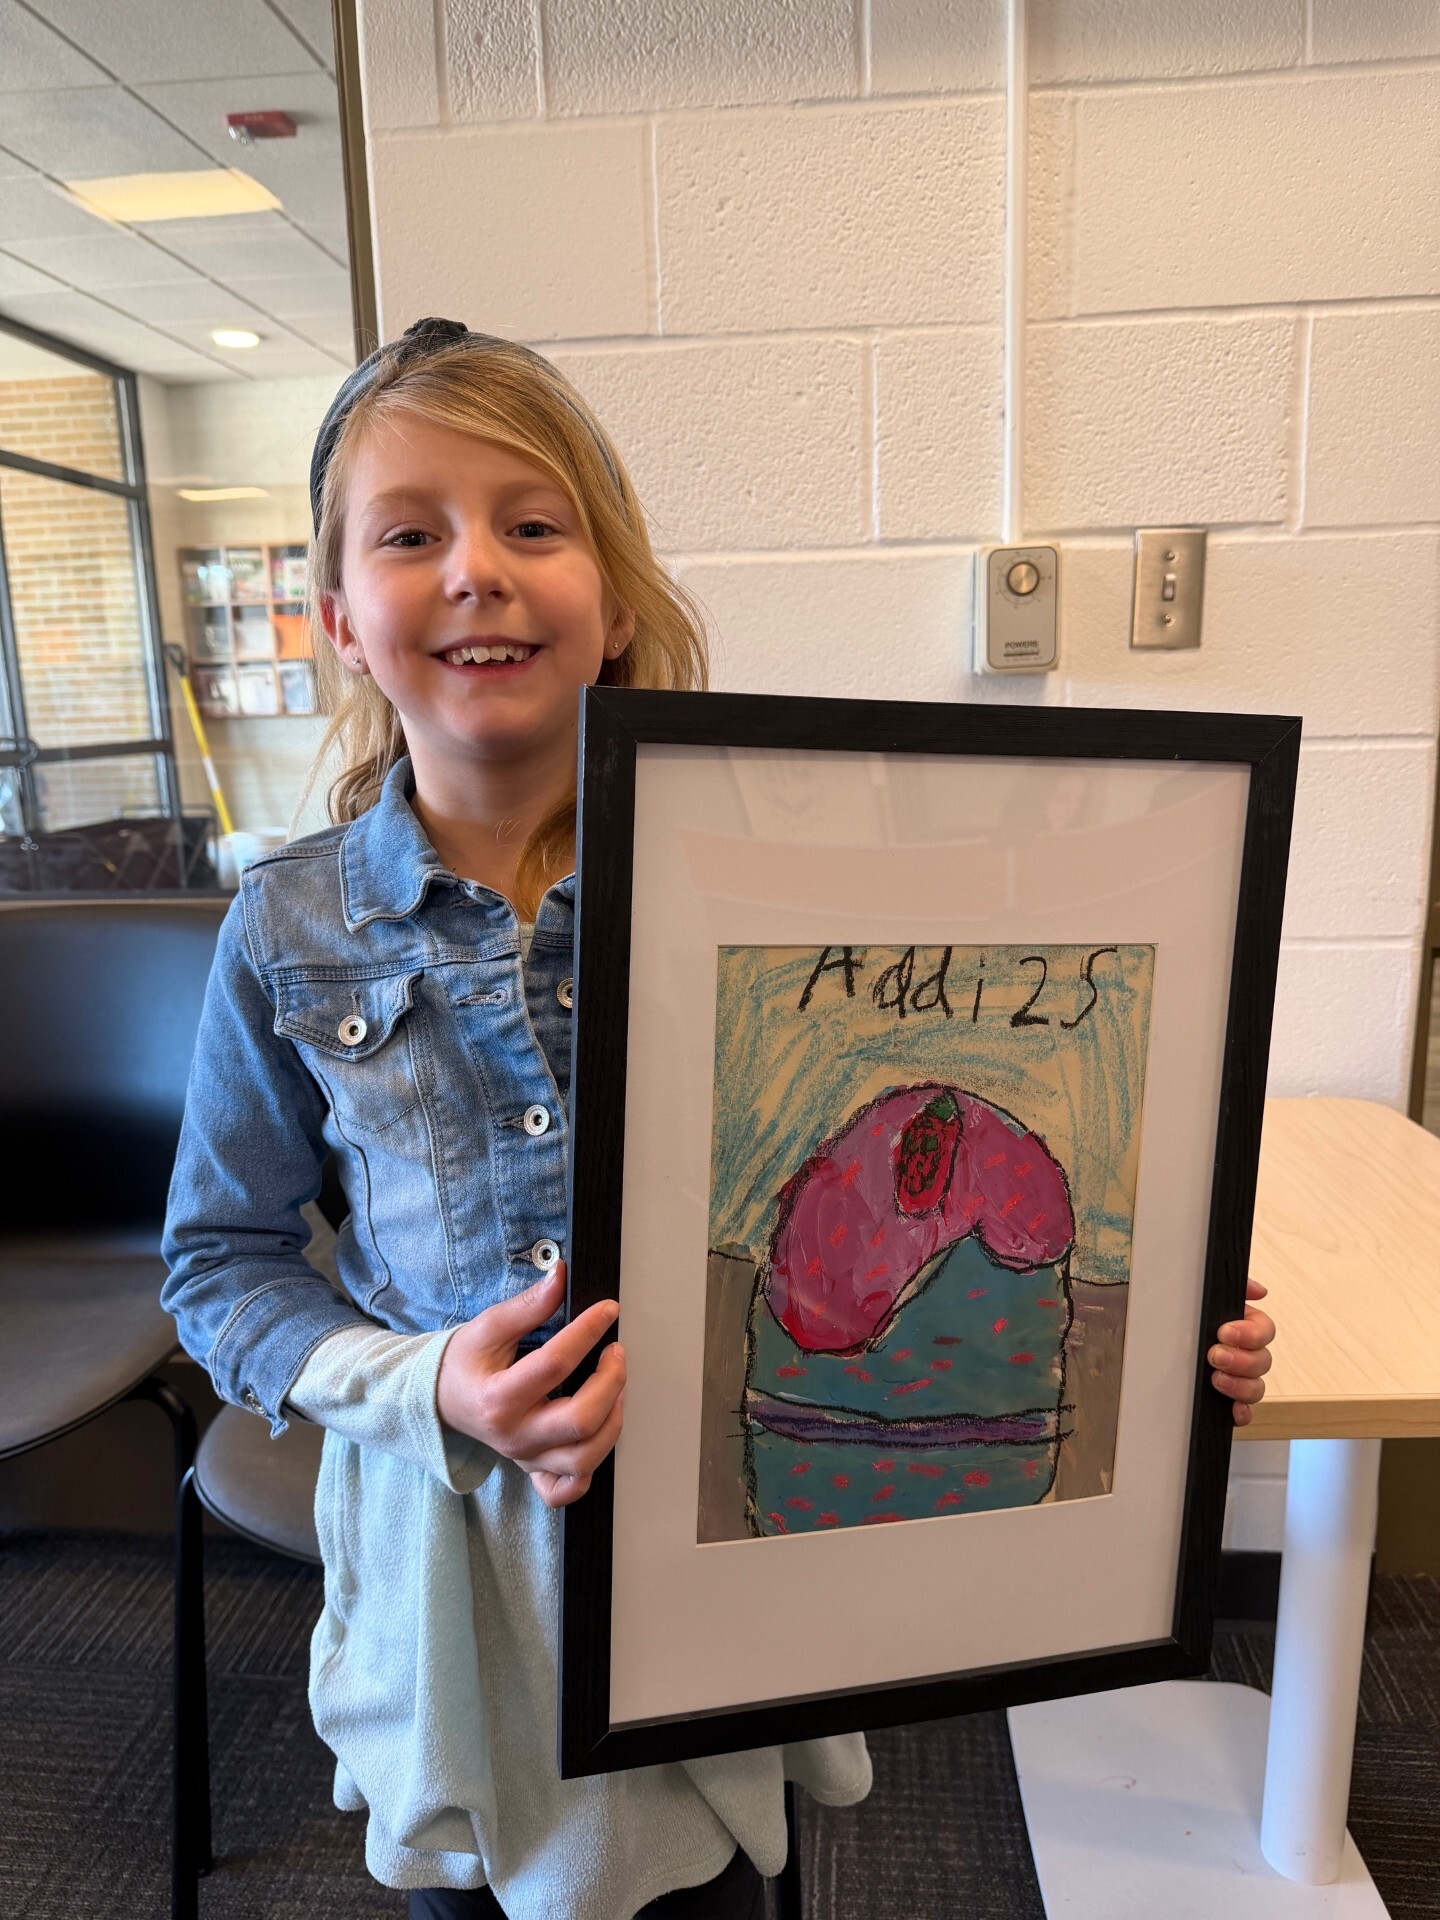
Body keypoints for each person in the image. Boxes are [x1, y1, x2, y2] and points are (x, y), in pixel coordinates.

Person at [161, 319, 1276, 1920]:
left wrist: (1173, 1330)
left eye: (534, 525)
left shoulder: (774, 881)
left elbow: (963, 1124)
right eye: (412, 533)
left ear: (613, 601)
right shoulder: (288, 931)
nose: (477, 567)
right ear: (339, 615)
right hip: (460, 1581)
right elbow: (219, 1269)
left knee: (718, 1892)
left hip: (718, 1552)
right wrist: (418, 1386)